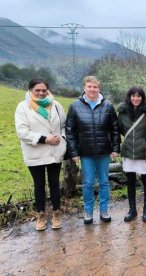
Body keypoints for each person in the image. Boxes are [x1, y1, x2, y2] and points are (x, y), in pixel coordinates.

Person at [65, 76, 120, 224]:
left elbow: (115, 129)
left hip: (104, 151)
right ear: (84, 88)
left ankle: (104, 210)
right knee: (88, 182)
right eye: (89, 86)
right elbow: (69, 131)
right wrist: (74, 152)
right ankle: (88, 211)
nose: (92, 89)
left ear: (99, 89)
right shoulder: (75, 106)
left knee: (104, 182)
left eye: (95, 87)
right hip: (85, 152)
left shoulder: (108, 106)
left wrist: (115, 148)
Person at [15, 79, 66, 231]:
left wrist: (62, 139)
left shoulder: (56, 105)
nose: (41, 93)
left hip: (54, 151)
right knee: (39, 185)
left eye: (44, 90)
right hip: (35, 152)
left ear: (48, 90)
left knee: (54, 183)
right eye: (37, 90)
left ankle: (56, 214)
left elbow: (64, 125)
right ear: (30, 90)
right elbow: (22, 132)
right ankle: (41, 215)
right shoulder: (23, 107)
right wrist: (45, 139)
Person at [117, 86, 146, 222]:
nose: (136, 98)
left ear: (142, 97)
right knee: (131, 181)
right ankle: (132, 210)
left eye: (139, 96)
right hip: (128, 151)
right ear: (129, 97)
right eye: (133, 95)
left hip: (144, 152)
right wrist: (129, 141)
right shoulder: (123, 112)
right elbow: (120, 129)